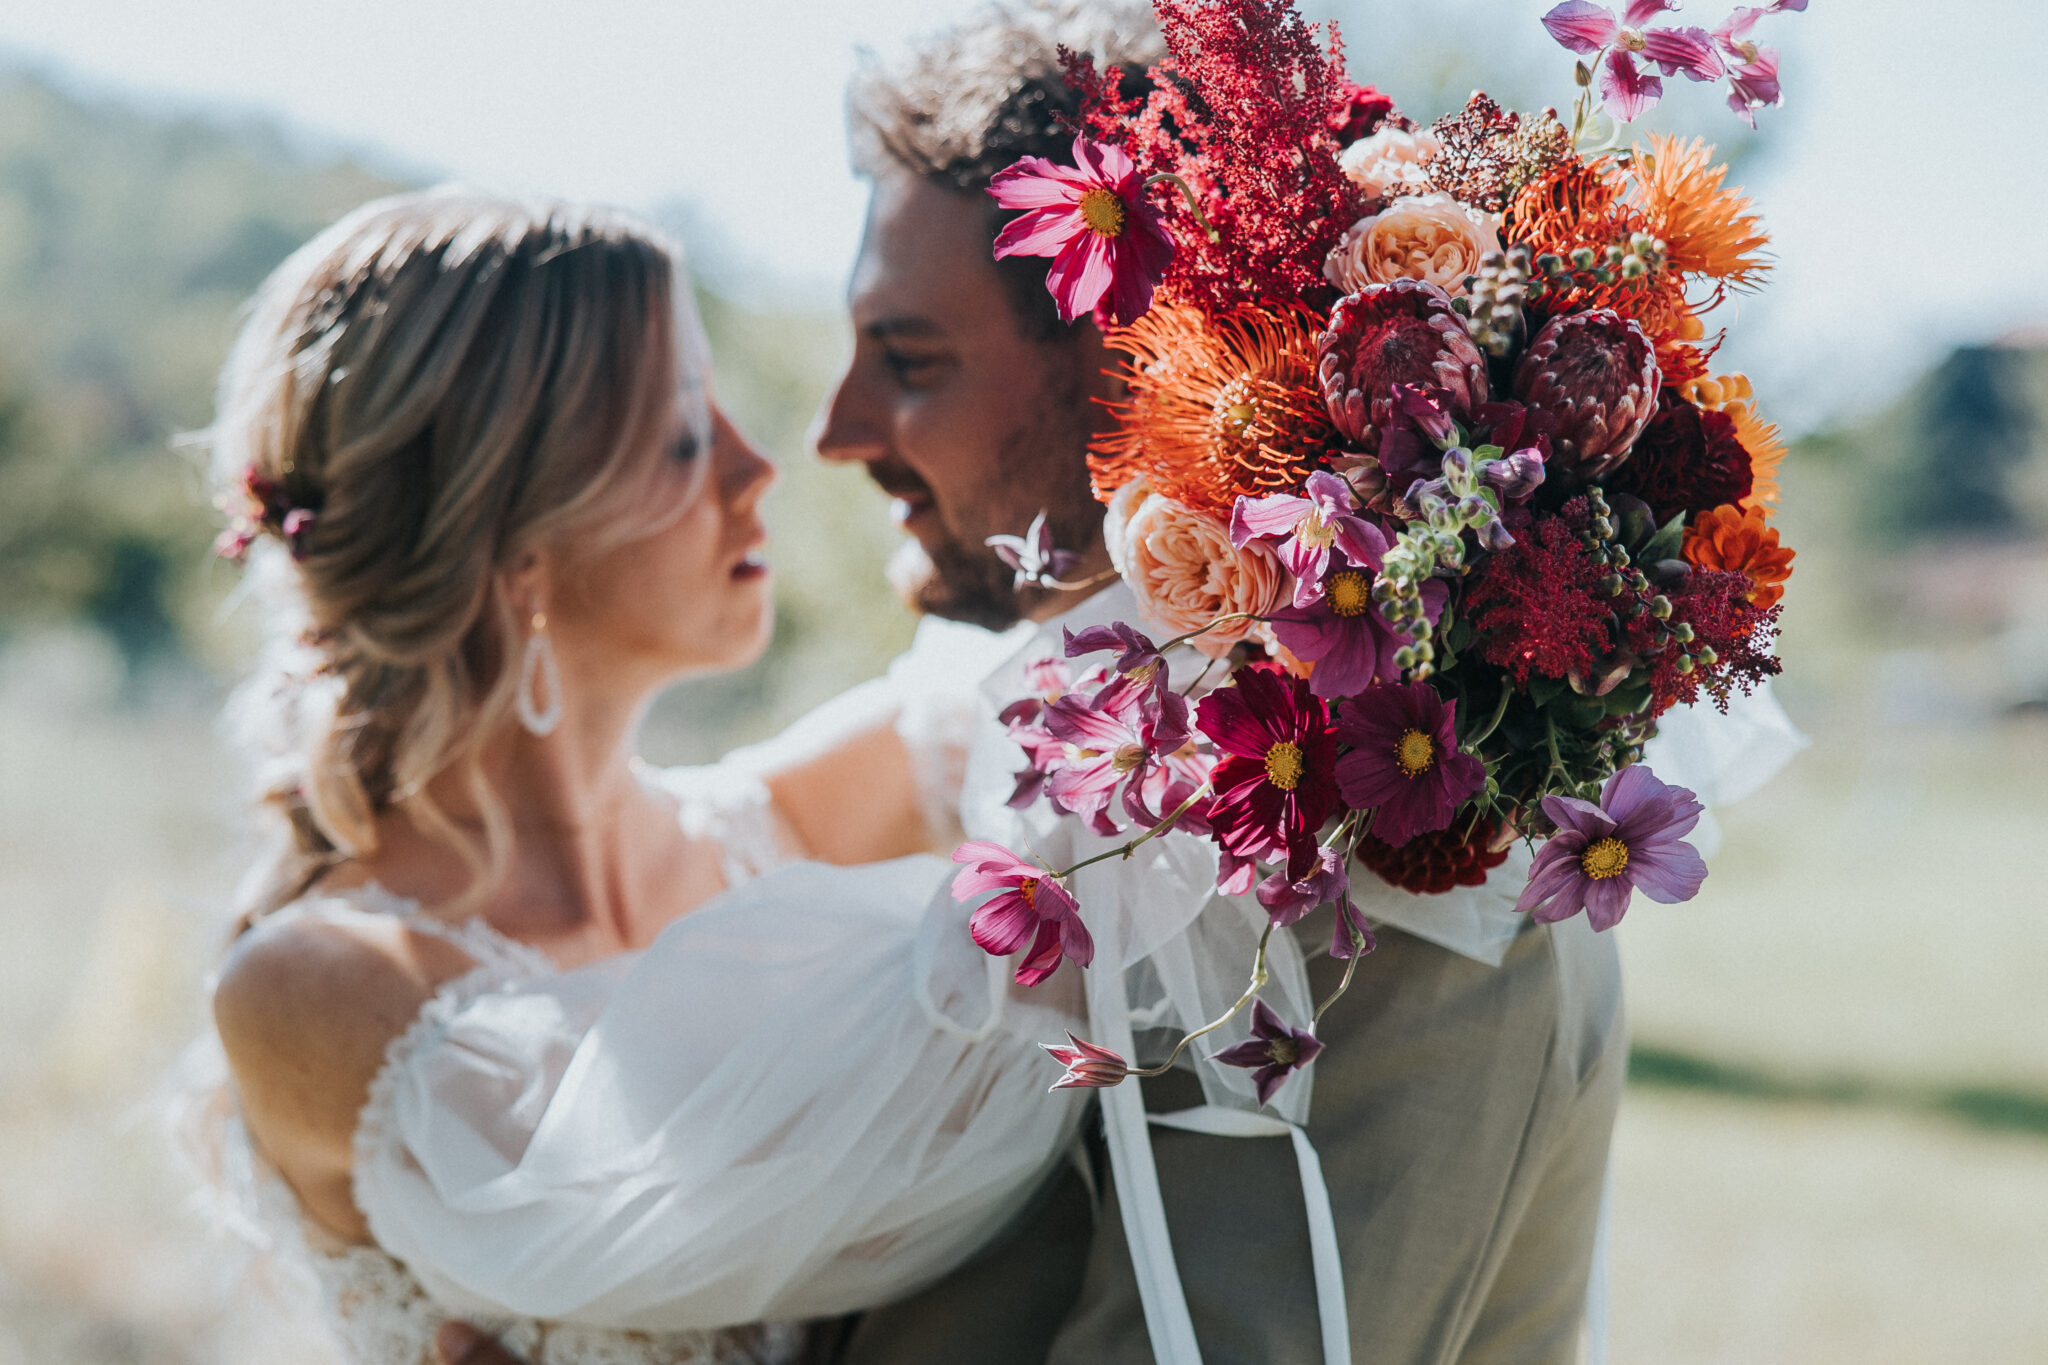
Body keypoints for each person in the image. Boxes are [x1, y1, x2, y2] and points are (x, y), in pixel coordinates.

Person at [200, 189, 1102, 1365]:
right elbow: (725, 1202)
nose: (758, 466)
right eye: (683, 434)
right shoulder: (320, 987)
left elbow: (1070, 686)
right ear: (519, 546)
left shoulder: (768, 828)